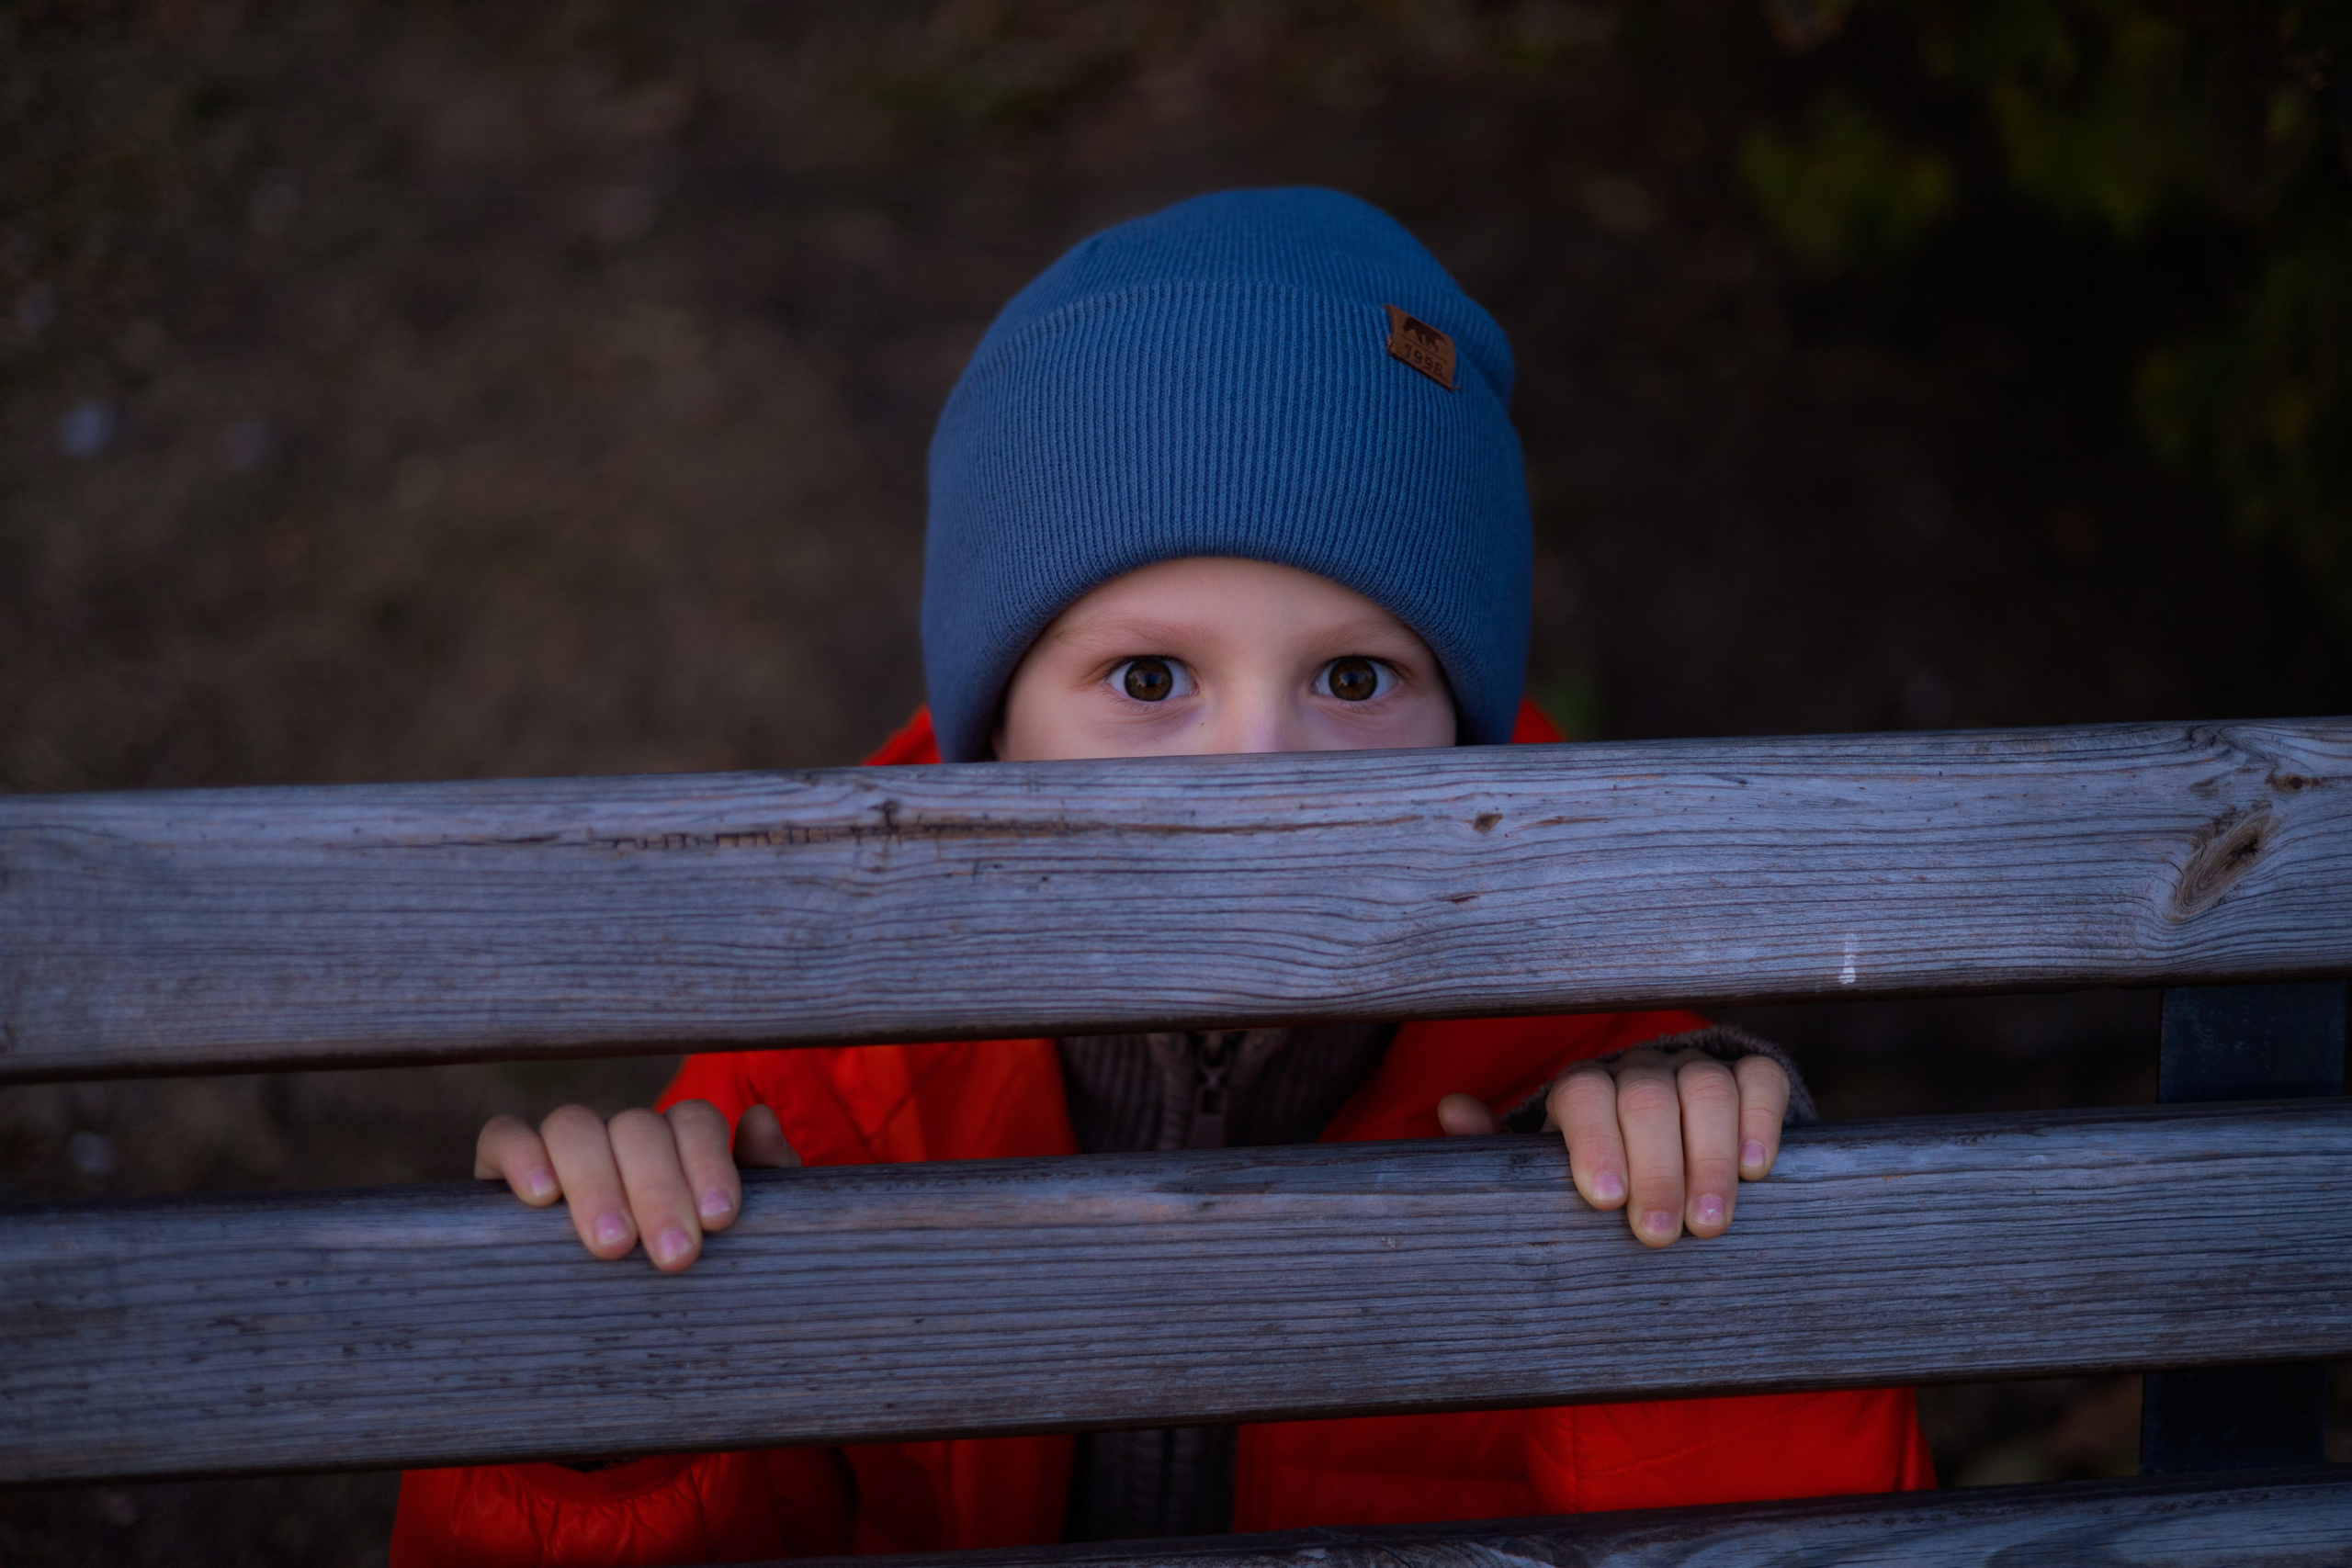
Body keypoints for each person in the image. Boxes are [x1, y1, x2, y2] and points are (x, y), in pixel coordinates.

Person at [393, 188, 1931, 1567]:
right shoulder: (827, 1093)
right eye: (1146, 680)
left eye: (1353, 680)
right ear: (993, 730)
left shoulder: (1585, 1079)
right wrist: (606, 1397)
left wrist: (1685, 1262)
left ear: (1469, 728)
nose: (1252, 775)